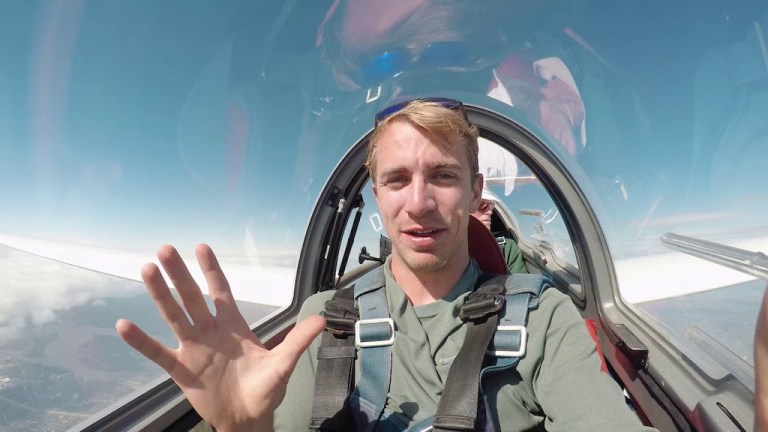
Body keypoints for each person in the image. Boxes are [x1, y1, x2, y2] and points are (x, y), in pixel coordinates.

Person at [116, 98, 656, 431]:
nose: (418, 202)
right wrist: (242, 428)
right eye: (397, 180)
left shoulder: (543, 318)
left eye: (443, 176)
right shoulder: (320, 321)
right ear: (376, 195)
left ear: (474, 192)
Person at [470, 186, 527, 274]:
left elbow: (522, 285)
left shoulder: (506, 248)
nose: (490, 211)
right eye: (482, 205)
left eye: (491, 205)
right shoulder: (444, 248)